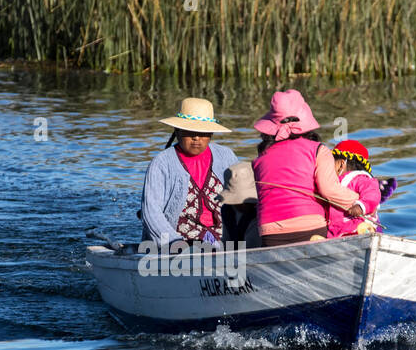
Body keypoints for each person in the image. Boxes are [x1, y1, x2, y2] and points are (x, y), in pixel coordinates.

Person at [250, 90, 364, 246]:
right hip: (310, 230)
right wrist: (361, 202)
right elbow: (329, 190)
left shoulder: (259, 159)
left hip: (270, 234)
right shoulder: (318, 150)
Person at [140, 97, 239, 248]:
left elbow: (241, 199)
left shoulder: (226, 156)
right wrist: (176, 243)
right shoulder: (161, 164)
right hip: (180, 242)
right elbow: (151, 213)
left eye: (203, 132)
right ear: (178, 131)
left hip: (224, 240)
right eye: (190, 132)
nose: (196, 138)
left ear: (211, 134)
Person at [326, 140, 385, 238]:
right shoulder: (333, 183)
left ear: (341, 164)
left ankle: (365, 234)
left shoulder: (361, 179)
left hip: (359, 224)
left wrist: (361, 207)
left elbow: (373, 195)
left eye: (332, 163)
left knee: (359, 229)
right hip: (339, 228)